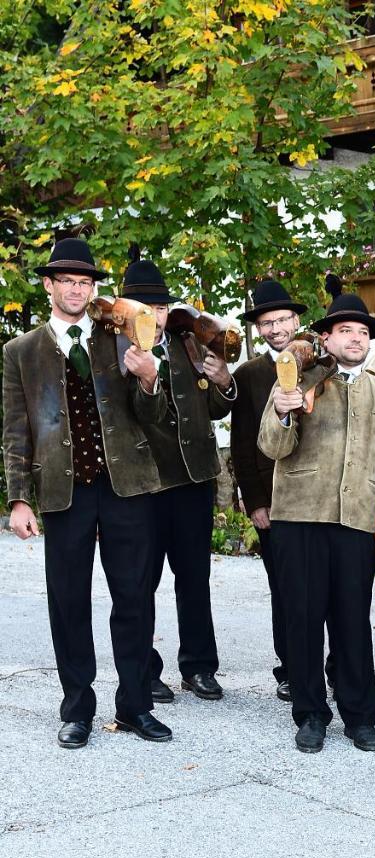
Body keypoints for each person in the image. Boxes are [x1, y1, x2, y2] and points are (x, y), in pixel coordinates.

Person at [3, 237, 170, 747]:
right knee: (69, 601)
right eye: (67, 281)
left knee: (135, 598)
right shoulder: (20, 351)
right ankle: (77, 707)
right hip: (63, 492)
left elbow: (152, 418)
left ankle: (136, 705)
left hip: (125, 489)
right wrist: (19, 498)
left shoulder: (118, 338)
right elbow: (14, 429)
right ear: (49, 286)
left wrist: (148, 382)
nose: (77, 290)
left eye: (85, 282)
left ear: (93, 288)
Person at [259, 289, 375, 754]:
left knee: (352, 624)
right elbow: (271, 447)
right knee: (302, 621)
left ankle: (360, 717)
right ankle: (310, 715)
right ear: (326, 337)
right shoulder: (297, 377)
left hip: (356, 522)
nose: (357, 339)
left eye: (364, 332)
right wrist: (283, 412)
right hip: (299, 517)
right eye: (347, 331)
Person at [124, 255, 236, 704]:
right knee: (142, 580)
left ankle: (198, 667)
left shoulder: (187, 344)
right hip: (146, 482)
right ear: (127, 308)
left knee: (194, 577)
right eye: (145, 306)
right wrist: (146, 379)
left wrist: (224, 380)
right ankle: (146, 670)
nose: (156, 315)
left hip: (193, 479)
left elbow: (216, 408)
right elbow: (139, 413)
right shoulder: (115, 350)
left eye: (162, 307)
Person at [230, 278, 309, 700]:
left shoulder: (321, 365)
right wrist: (255, 500)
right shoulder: (249, 374)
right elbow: (242, 444)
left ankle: (328, 665)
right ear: (258, 329)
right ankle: (290, 667)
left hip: (318, 496)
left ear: (297, 319)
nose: (277, 328)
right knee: (283, 587)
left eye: (282, 319)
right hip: (273, 497)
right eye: (267, 322)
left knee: (325, 588)